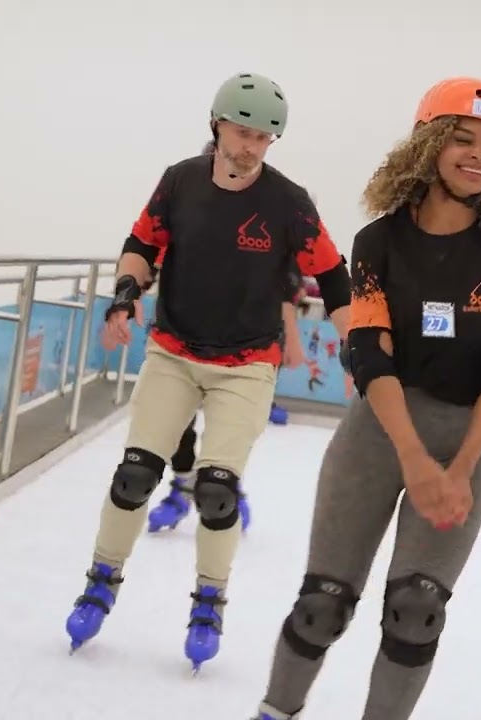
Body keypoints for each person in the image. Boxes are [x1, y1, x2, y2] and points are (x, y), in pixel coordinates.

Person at [251, 76, 481, 720]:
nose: (479, 155)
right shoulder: (378, 242)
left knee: (416, 612)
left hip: (465, 443)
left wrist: (459, 469)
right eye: (463, 138)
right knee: (322, 604)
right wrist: (413, 456)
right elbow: (369, 354)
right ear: (429, 144)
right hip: (379, 438)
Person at [63, 72, 353, 673]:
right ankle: (101, 580)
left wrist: (358, 342)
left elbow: (333, 274)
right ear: (216, 125)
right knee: (134, 476)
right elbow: (142, 243)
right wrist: (123, 293)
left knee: (217, 490)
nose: (250, 147)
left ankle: (209, 599)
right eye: (242, 132)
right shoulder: (180, 182)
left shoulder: (289, 203)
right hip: (173, 351)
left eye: (264, 138)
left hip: (247, 365)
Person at [145, 264, 308, 533]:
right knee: (176, 419)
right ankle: (184, 482)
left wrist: (290, 330)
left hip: (250, 338)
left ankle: (224, 482)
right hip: (191, 328)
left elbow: (289, 277)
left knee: (230, 427)